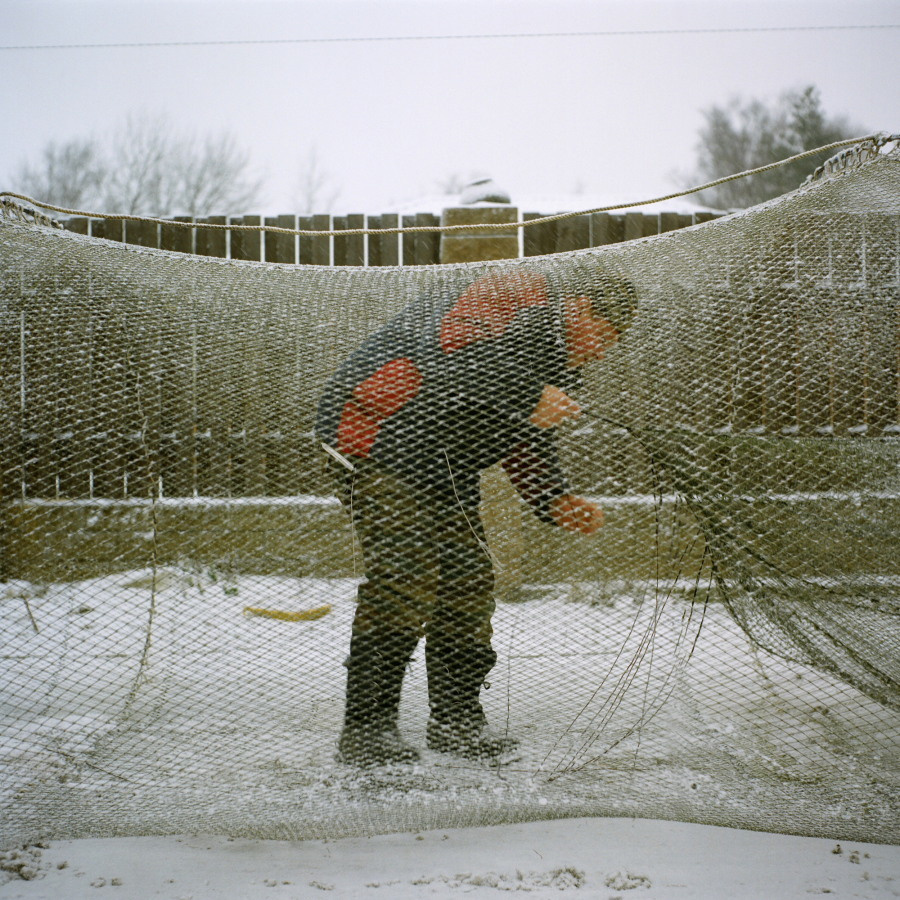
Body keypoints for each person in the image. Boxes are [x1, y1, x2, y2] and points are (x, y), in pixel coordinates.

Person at [316, 266, 637, 766]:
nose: (604, 350)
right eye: (607, 334)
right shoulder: (511, 292)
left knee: (467, 581)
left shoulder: (556, 361)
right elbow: (450, 355)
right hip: (375, 436)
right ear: (580, 307)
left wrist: (553, 498)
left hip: (443, 461)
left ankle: (457, 722)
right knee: (405, 578)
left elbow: (524, 436)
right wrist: (529, 395)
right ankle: (367, 731)